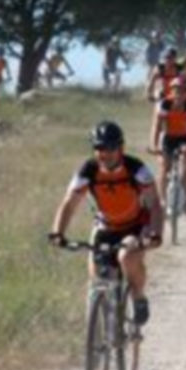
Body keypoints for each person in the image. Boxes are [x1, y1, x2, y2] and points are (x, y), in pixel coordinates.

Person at [49, 121, 164, 327]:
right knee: (96, 277)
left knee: (126, 257)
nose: (105, 153)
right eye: (100, 148)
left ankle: (138, 297)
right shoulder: (88, 171)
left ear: (121, 148)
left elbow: (154, 203)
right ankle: (99, 332)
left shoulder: (136, 169)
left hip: (134, 226)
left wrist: (155, 233)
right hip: (105, 227)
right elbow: (69, 203)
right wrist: (58, 232)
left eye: (111, 148)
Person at [150, 77, 186, 213]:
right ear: (171, 91)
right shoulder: (164, 104)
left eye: (182, 91)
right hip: (168, 137)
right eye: (176, 90)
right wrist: (154, 146)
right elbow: (156, 127)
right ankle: (162, 200)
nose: (179, 94)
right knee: (164, 165)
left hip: (184, 137)